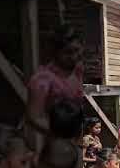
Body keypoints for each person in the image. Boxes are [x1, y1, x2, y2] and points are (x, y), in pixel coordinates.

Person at [24, 25, 83, 155]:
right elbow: (34, 117)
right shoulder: (42, 80)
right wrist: (62, 134)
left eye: (77, 50)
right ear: (55, 53)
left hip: (73, 140)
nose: (74, 56)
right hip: (50, 142)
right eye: (68, 52)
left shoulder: (77, 70)